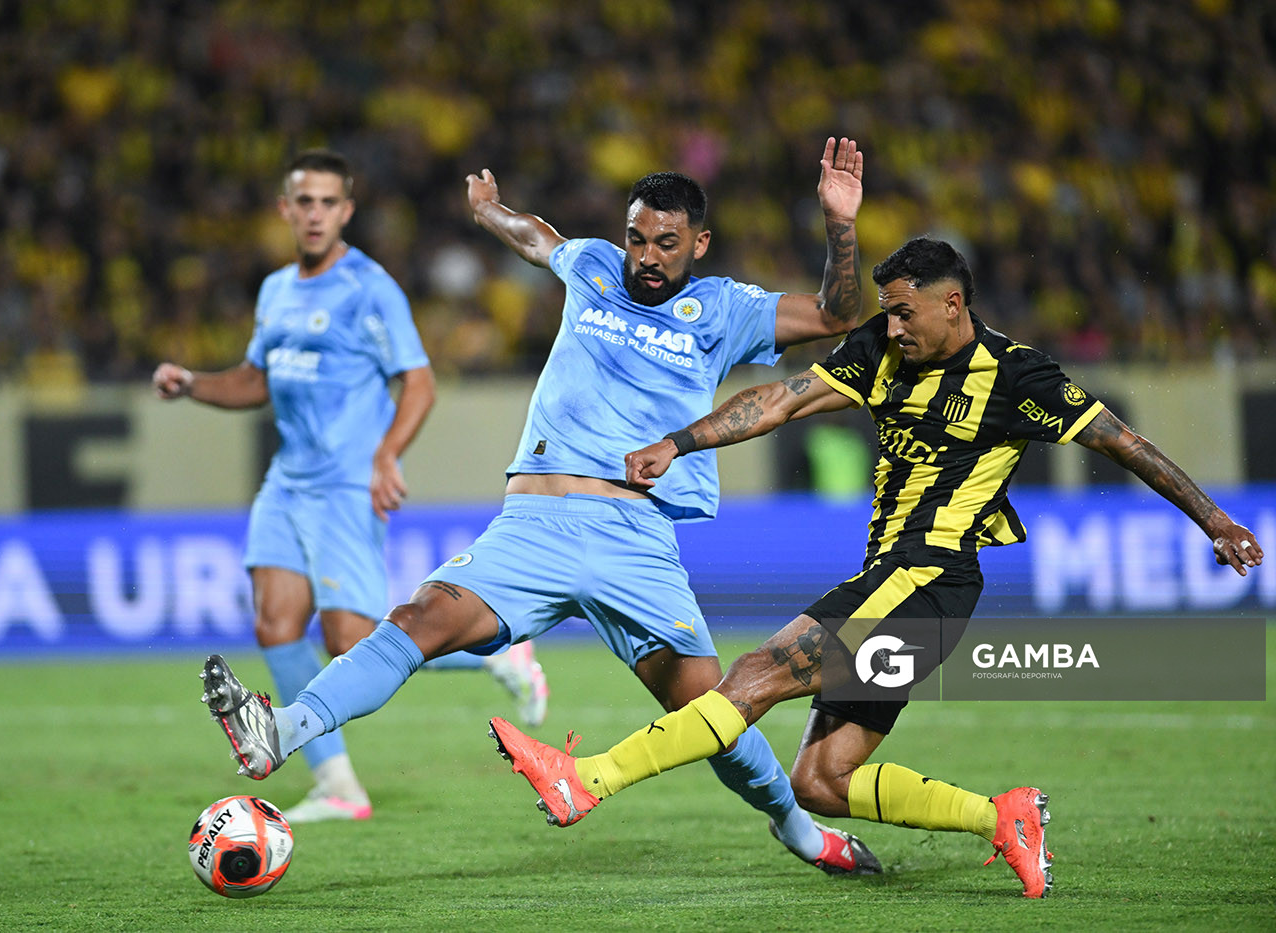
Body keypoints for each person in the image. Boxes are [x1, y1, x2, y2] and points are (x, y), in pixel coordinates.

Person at [486, 236, 1265, 898]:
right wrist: (680, 443)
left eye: (904, 311)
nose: (890, 325)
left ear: (953, 304)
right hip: (911, 592)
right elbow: (782, 400)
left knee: (755, 674)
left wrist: (1217, 520)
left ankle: (587, 779)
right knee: (820, 781)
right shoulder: (880, 352)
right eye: (887, 310)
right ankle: (1003, 816)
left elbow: (1124, 443)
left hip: (926, 579)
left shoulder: (1021, 377)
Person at [200, 137, 882, 874]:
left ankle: (798, 827)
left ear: (699, 242)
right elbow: (540, 239)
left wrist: (840, 224)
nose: (646, 256)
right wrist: (493, 212)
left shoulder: (723, 309)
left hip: (633, 535)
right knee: (419, 617)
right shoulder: (593, 267)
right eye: (636, 237)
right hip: (533, 528)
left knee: (709, 712)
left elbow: (836, 315)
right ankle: (282, 728)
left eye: (666, 242)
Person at [156, 148, 548, 823]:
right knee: (275, 623)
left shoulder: (370, 288)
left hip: (344, 485)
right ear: (285, 209)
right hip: (287, 482)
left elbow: (419, 381)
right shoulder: (276, 289)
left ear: (346, 211)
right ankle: (338, 783)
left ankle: (499, 656)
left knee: (351, 639)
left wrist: (386, 455)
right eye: (302, 201)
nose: (313, 213)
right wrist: (193, 383)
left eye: (327, 202)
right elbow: (255, 380)